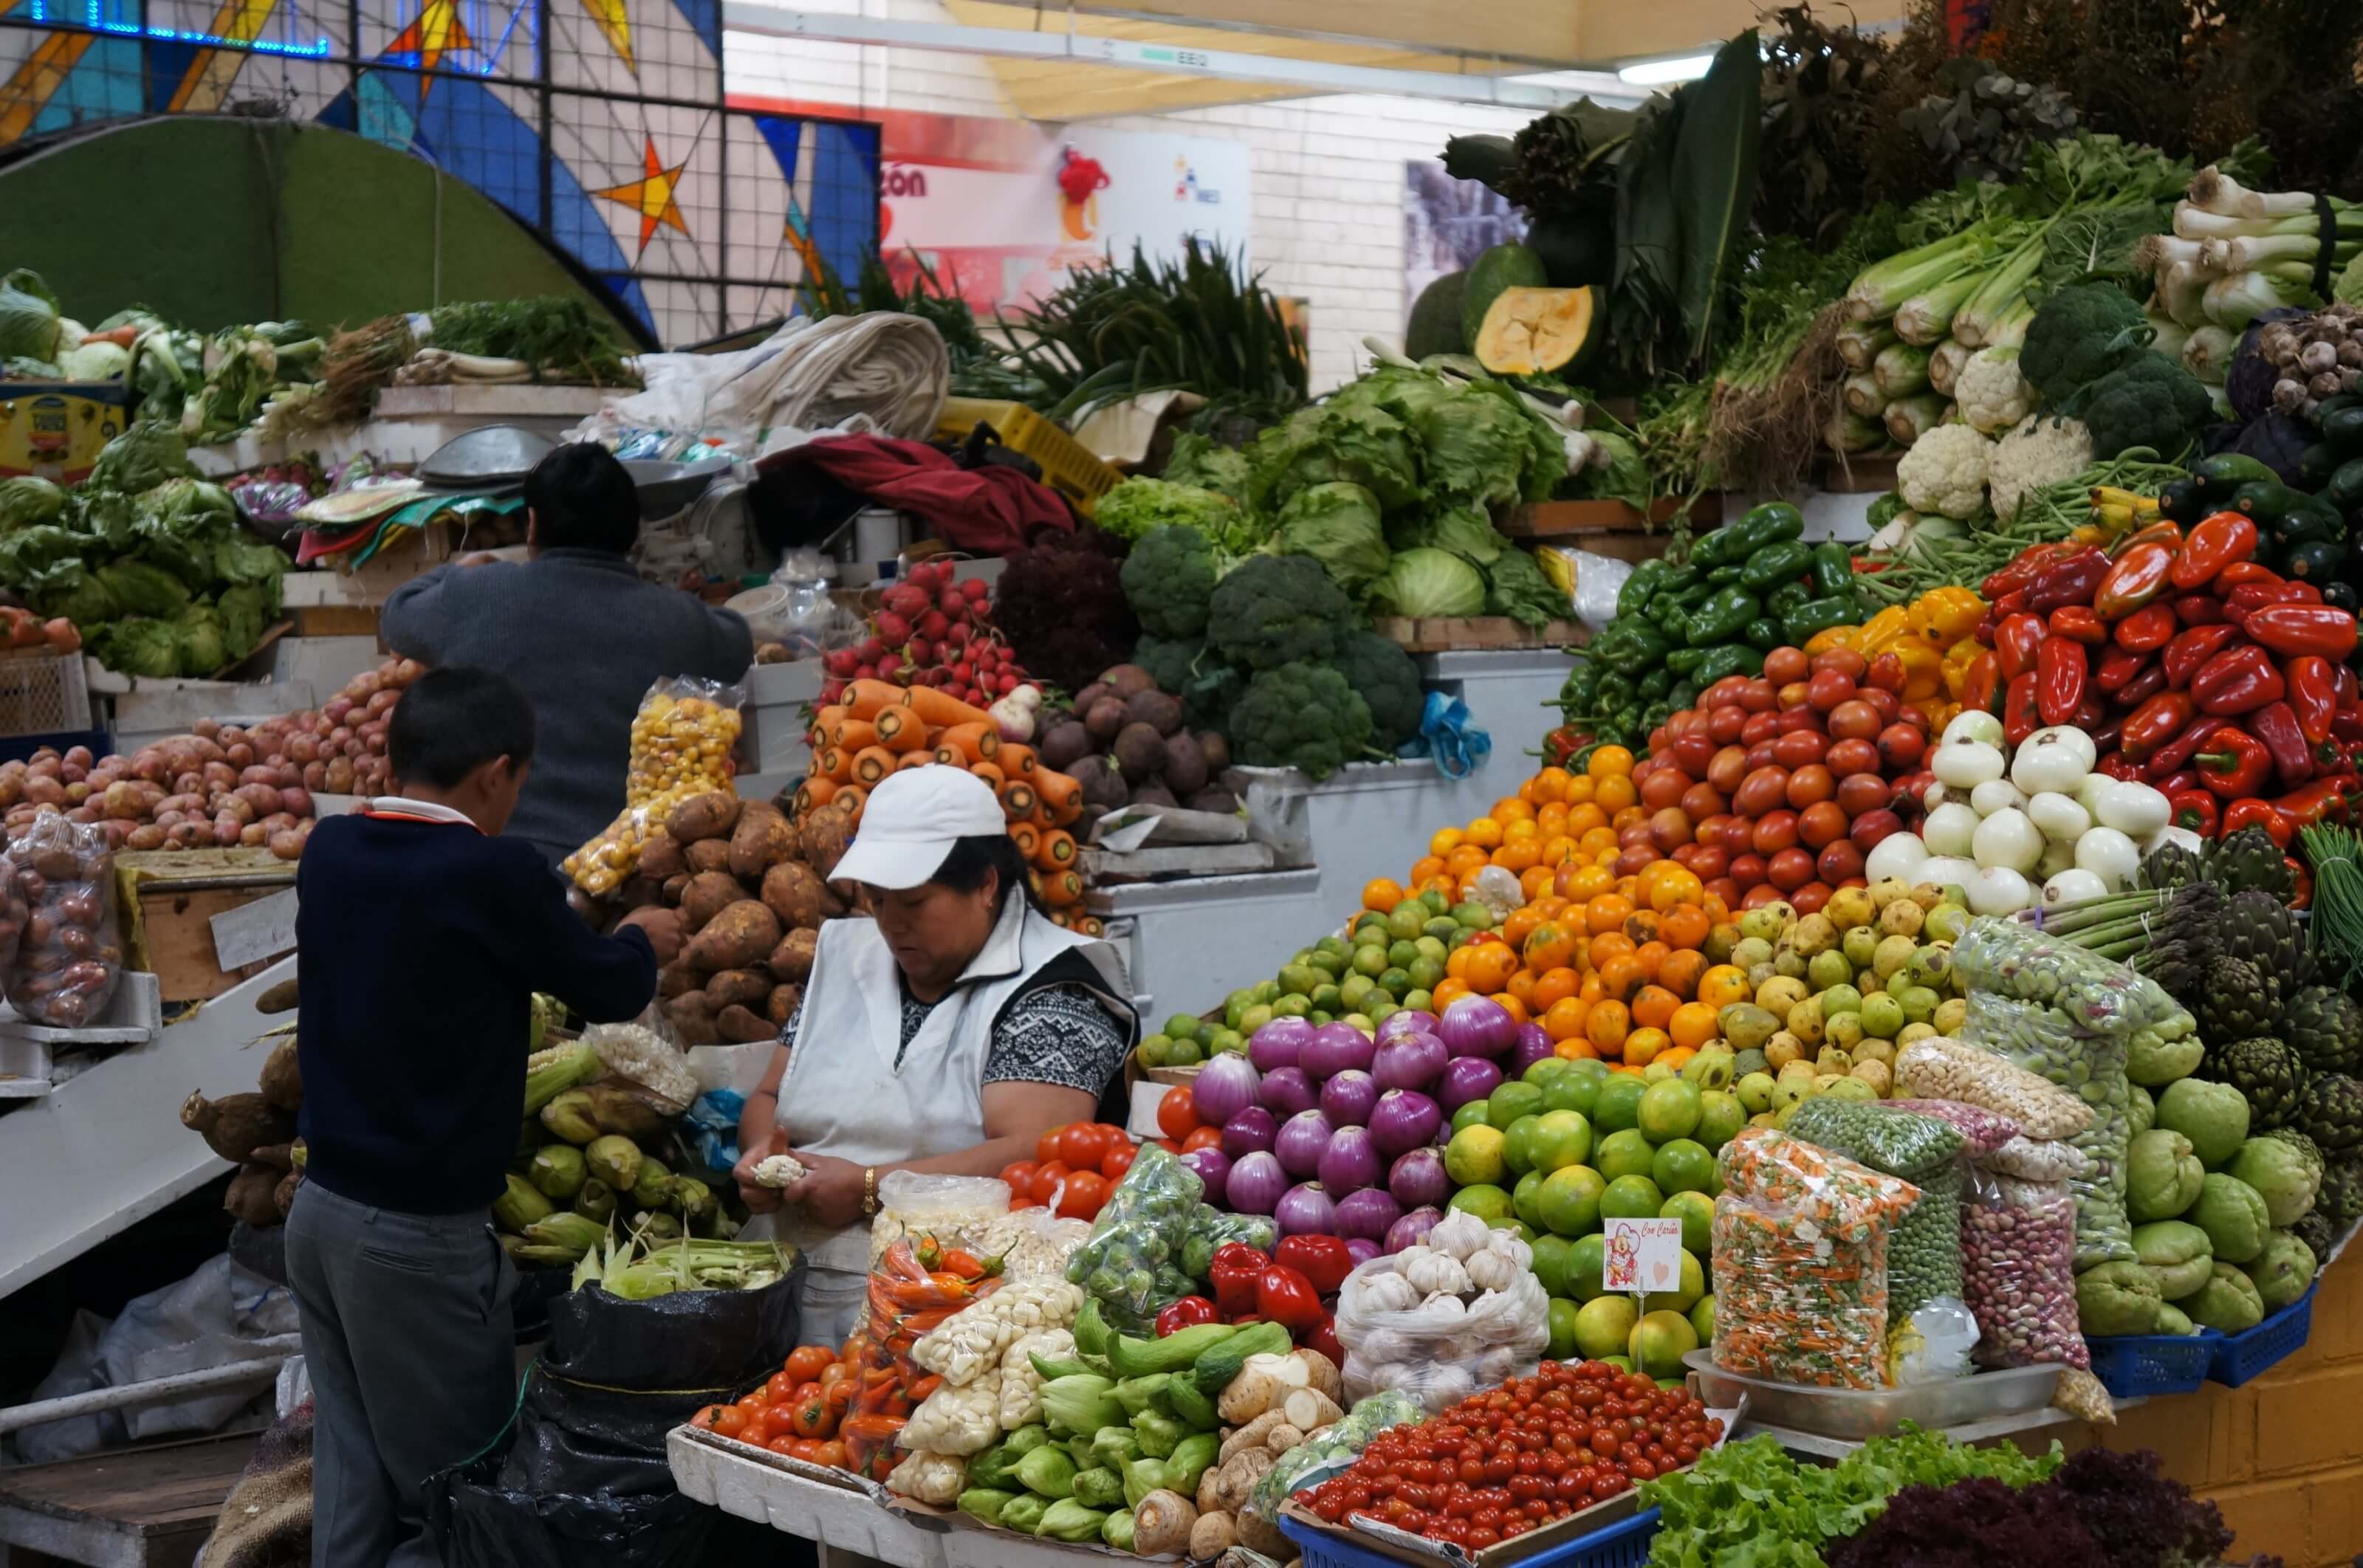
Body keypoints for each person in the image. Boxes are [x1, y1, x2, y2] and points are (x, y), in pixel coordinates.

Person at [284, 667, 682, 1568]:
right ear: (497, 772)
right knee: (457, 1496)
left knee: (351, 1475)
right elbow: (604, 984)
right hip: (413, 1241)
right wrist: (638, 941)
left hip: (322, 1217)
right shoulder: (492, 871)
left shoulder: (332, 849)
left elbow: (461, 941)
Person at [731, 766, 1138, 1345]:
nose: (892, 923)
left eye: (915, 902)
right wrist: (761, 1155)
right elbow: (773, 1092)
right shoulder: (847, 956)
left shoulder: (1053, 988)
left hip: (954, 1312)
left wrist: (872, 1188)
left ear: (986, 886)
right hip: (786, 1287)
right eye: (876, 899)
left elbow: (1036, 1153)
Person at [381, 442, 755, 867]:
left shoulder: (479, 595)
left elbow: (396, 614)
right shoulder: (676, 619)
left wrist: (461, 569)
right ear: (633, 531)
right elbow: (738, 642)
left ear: (533, 524)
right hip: (627, 871)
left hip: (495, 868)